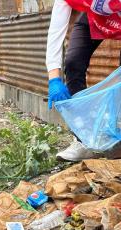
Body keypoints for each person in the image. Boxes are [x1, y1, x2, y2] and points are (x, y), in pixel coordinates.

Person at [46, 0, 121, 161]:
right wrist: (54, 79)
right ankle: (84, 140)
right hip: (95, 17)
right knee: (73, 62)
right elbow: (56, 30)